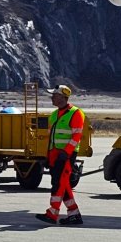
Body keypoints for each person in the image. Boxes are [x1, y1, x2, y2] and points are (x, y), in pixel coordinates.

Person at [36, 84, 86, 226]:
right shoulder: (54, 115)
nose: (52, 97)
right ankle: (74, 214)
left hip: (66, 155)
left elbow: (76, 136)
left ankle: (53, 213)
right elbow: (51, 138)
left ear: (62, 97)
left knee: (58, 184)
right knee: (62, 184)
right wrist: (47, 156)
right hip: (54, 154)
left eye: (54, 95)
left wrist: (65, 153)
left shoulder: (76, 113)